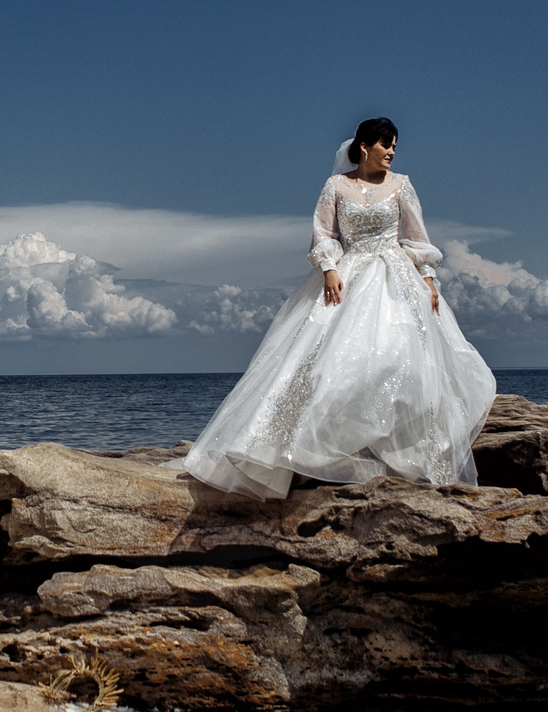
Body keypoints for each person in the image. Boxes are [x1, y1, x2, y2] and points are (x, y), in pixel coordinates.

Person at [184, 118, 498, 499]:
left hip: (396, 277)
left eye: (395, 146)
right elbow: (324, 233)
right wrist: (330, 268)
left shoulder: (402, 185)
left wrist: (428, 280)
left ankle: (402, 450)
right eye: (386, 145)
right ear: (365, 147)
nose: (392, 152)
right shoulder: (336, 186)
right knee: (326, 358)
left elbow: (416, 237)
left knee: (398, 357)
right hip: (347, 274)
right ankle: (304, 452)